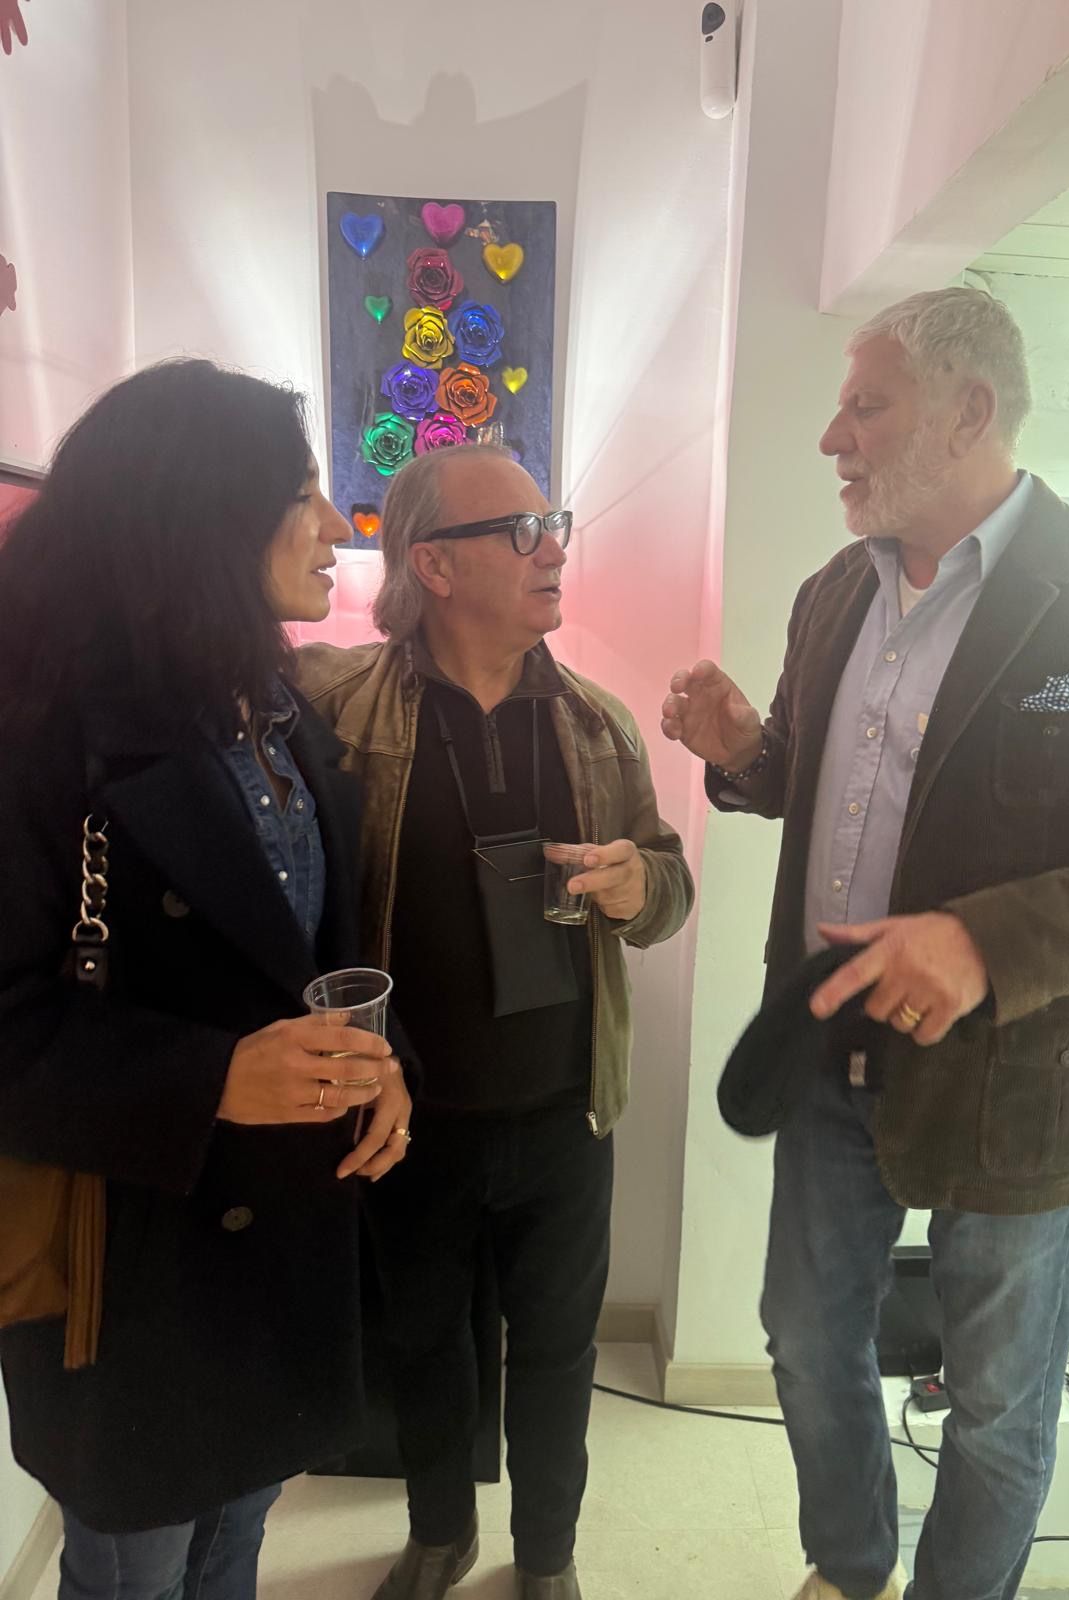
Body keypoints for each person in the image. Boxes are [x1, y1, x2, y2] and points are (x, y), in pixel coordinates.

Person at [662, 286, 1069, 1600]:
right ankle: (851, 1567)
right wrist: (743, 755)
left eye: (866, 404)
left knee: (1003, 1402)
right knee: (802, 1336)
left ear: (967, 411)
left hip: (1017, 1081)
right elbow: (822, 779)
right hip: (830, 1048)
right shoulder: (831, 594)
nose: (833, 437)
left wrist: (978, 943)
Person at [0, 360, 414, 1600]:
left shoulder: (279, 709)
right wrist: (213, 1077)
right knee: (133, 1570)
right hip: (130, 1269)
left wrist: (387, 1067)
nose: (338, 525)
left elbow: (316, 963)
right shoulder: (41, 734)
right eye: (300, 492)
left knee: (235, 1543)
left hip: (282, 1237)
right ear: (199, 515)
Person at [295, 444, 694, 1600]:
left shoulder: (599, 725)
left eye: (554, 521)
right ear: (434, 563)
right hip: (408, 1120)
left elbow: (667, 889)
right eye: (523, 530)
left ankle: (551, 1556)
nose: (556, 547)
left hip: (568, 1112)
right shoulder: (340, 712)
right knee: (424, 1344)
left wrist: (637, 887)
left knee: (561, 1356)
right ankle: (439, 1534)